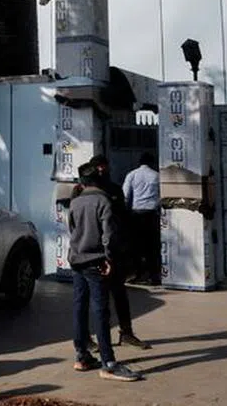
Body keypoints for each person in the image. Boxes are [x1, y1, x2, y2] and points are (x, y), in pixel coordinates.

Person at [68, 161, 142, 382]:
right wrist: (109, 258)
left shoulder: (75, 202)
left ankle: (82, 355)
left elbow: (72, 231)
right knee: (101, 311)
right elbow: (109, 235)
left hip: (77, 260)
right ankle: (108, 363)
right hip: (96, 261)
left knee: (79, 307)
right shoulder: (103, 201)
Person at [78, 155, 150, 350]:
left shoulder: (114, 190)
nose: (102, 171)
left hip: (113, 252)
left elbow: (121, 220)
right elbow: (76, 226)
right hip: (91, 254)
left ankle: (126, 333)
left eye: (104, 167)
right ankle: (89, 341)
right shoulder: (81, 194)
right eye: (98, 169)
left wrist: (125, 248)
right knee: (89, 301)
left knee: (119, 294)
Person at [123, 153, 162, 285]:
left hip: (136, 215)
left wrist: (125, 212)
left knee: (136, 246)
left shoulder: (132, 175)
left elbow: (126, 196)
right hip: (152, 214)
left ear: (139, 162)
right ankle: (154, 276)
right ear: (151, 162)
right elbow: (162, 196)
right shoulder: (157, 175)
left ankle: (138, 274)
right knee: (152, 247)